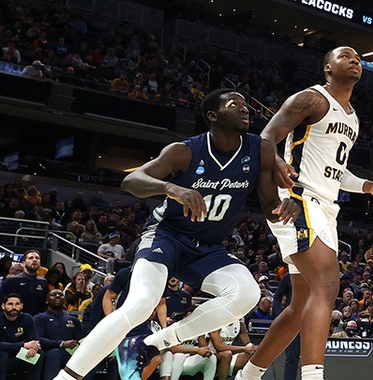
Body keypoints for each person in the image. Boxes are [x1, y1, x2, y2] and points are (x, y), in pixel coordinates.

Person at [51, 89, 296, 380]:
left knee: (248, 293)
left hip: (208, 247)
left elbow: (269, 205)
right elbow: (132, 180)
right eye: (235, 105)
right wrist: (171, 188)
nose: (246, 110)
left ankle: (153, 343)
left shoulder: (260, 149)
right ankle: (66, 377)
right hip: (167, 235)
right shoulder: (186, 150)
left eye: (247, 105)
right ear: (213, 115)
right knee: (141, 303)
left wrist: (285, 207)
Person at [235, 46, 373, 380]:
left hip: (325, 207)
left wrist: (370, 186)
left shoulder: (353, 116)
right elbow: (266, 137)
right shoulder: (311, 99)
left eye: (358, 58)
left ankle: (247, 376)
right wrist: (279, 161)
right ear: (328, 67)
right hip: (297, 199)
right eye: (346, 57)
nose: (355, 61)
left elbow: (337, 172)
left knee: (301, 306)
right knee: (327, 284)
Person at [32, 289, 81, 380]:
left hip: (69, 354)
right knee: (55, 353)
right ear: (46, 301)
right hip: (48, 354)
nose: (58, 296)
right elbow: (38, 339)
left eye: (60, 295)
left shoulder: (73, 320)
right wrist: (61, 343)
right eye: (53, 295)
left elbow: (80, 339)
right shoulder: (39, 318)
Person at [0, 294, 38, 379]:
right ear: (3, 306)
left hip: (20, 355)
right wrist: (23, 345)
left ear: (21, 306)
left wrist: (33, 348)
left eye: (17, 304)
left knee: (38, 353)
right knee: (3, 354)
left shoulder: (27, 318)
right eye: (10, 304)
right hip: (3, 355)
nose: (14, 307)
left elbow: (34, 339)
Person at [0, 251, 48, 316]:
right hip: (14, 320)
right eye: (31, 258)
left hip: (36, 321)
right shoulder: (12, 281)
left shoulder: (43, 282)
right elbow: (2, 301)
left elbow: (45, 305)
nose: (34, 260)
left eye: (37, 258)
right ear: (23, 263)